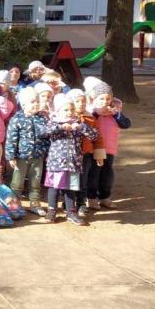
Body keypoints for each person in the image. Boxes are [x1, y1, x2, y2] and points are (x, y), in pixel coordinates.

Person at [41, 93, 98, 225]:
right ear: (58, 111)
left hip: (74, 163)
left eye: (71, 109)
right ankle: (51, 210)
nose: (69, 112)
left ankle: (71, 212)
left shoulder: (78, 123)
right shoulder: (53, 123)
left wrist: (82, 127)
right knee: (54, 187)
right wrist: (60, 127)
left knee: (71, 188)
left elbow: (94, 136)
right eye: (66, 110)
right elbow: (43, 133)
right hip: (57, 163)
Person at [86, 80, 131, 209]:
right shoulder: (91, 112)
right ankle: (91, 197)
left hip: (110, 148)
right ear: (95, 98)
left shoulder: (115, 112)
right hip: (94, 148)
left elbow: (126, 124)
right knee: (94, 173)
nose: (105, 102)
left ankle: (105, 197)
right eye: (101, 99)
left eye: (108, 98)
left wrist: (116, 114)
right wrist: (97, 112)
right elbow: (87, 123)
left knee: (107, 173)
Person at [5, 87, 49, 216]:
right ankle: (15, 204)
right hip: (21, 157)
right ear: (24, 105)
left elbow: (46, 137)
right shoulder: (17, 119)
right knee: (17, 182)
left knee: (35, 180)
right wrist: (11, 156)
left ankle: (34, 203)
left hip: (38, 156)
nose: (35, 104)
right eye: (32, 102)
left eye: (36, 101)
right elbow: (11, 139)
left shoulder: (42, 119)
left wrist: (46, 152)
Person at [67, 88, 105, 216]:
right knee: (72, 179)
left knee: (83, 180)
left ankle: (81, 203)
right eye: (77, 101)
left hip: (86, 155)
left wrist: (99, 155)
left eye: (83, 101)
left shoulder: (90, 118)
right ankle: (69, 203)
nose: (81, 104)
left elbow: (98, 137)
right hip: (70, 156)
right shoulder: (66, 118)